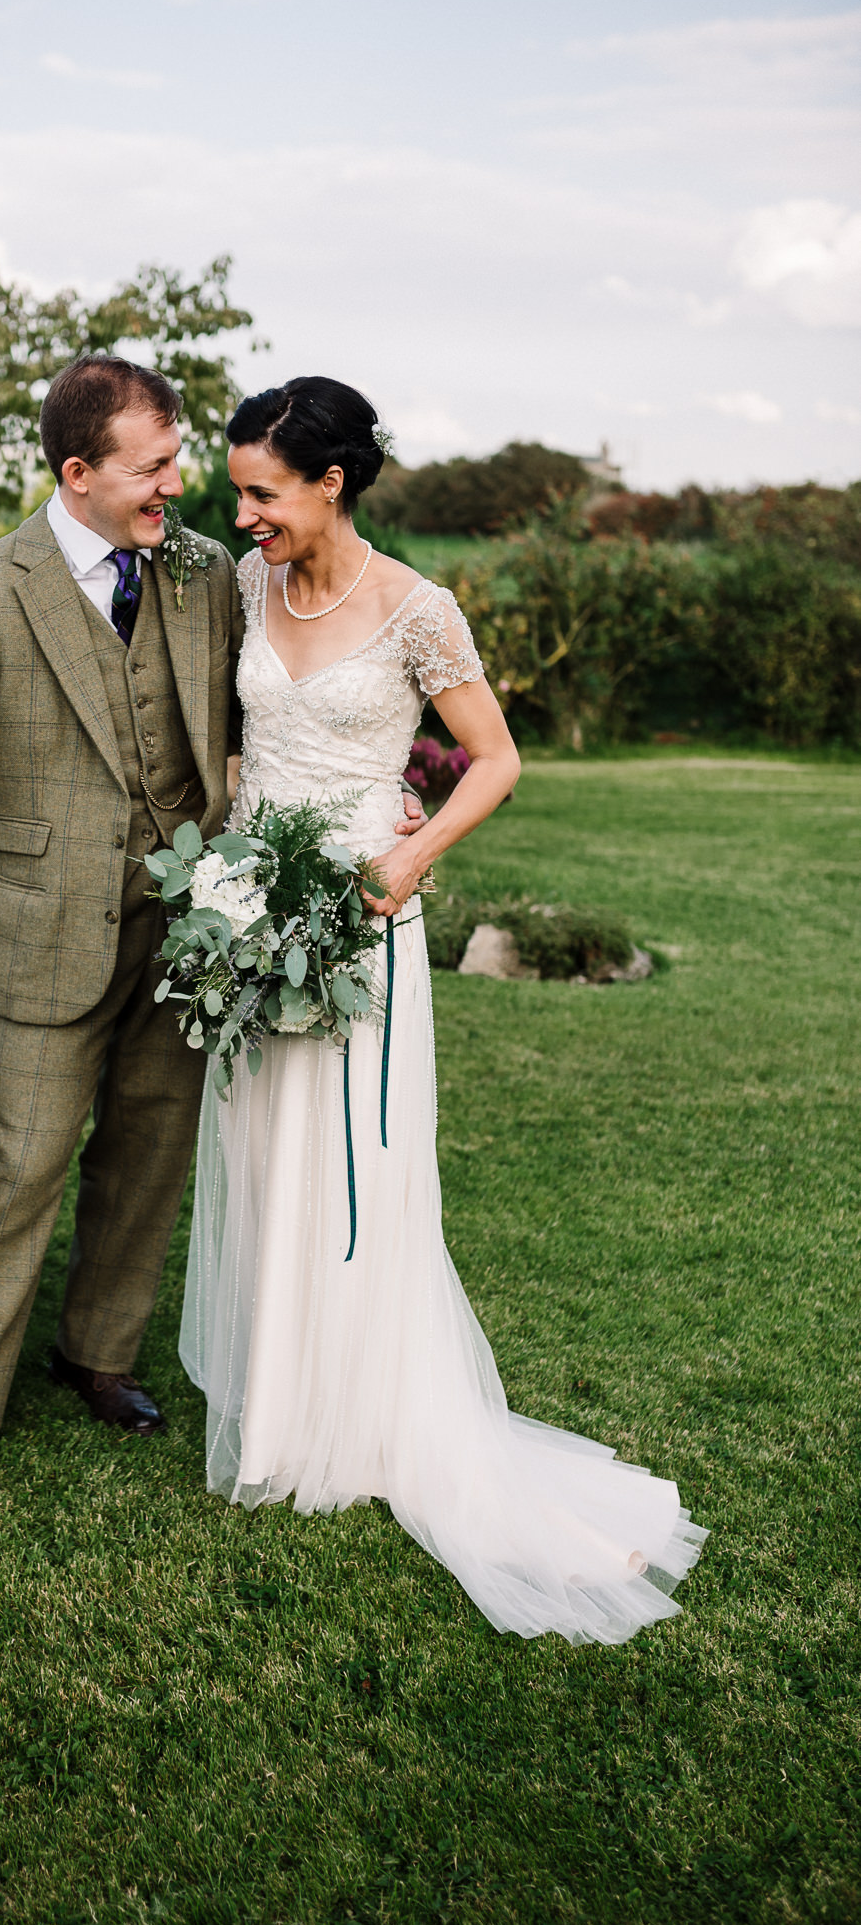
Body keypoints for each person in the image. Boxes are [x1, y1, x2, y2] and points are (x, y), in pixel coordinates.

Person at [0, 355, 424, 1524]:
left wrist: (388, 797)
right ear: (79, 473)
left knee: (150, 1158)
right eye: (155, 467)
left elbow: (323, 667)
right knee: (18, 1175)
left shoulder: (211, 569)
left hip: (198, 928)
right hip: (51, 932)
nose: (180, 483)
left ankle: (96, 1355)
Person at [180, 376, 706, 1644]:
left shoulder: (420, 609)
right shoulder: (248, 589)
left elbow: (497, 758)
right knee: (265, 1152)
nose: (240, 512)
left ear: (330, 484)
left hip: (365, 916)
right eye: (236, 489)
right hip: (258, 909)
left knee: (354, 1159)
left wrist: (411, 855)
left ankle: (365, 1416)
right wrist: (243, 839)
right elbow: (253, 736)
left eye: (260, 491)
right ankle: (285, 1402)